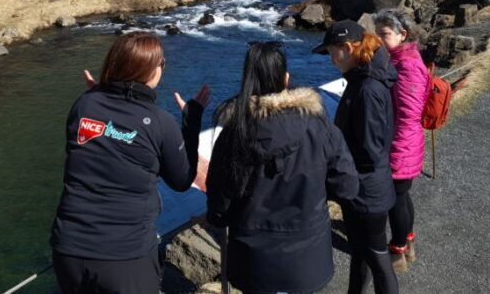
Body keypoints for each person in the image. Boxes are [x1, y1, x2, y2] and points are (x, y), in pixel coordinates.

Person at [50, 31, 211, 294]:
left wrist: (101, 96)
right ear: (151, 70)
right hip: (124, 256)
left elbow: (104, 135)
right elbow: (182, 181)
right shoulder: (160, 122)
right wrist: (191, 123)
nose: (163, 68)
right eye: (162, 63)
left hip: (68, 249)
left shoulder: (83, 105)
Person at [206, 41, 359, 294]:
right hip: (307, 254)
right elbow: (347, 186)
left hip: (253, 259)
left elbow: (220, 201)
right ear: (286, 78)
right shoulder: (318, 126)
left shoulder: (235, 133)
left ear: (247, 80)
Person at [314, 20, 399, 294]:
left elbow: (370, 151)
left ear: (348, 47)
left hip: (367, 190)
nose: (330, 59)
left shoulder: (368, 89)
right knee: (362, 252)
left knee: (378, 259)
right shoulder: (363, 78)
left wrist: (336, 158)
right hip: (366, 187)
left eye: (331, 52)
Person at [374, 9, 429, 272]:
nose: (379, 40)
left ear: (402, 34)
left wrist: (391, 146)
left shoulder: (406, 64)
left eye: (384, 34)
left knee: (396, 197)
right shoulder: (397, 58)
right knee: (402, 195)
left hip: (401, 142)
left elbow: (408, 113)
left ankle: (397, 252)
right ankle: (408, 241)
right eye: (377, 34)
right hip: (402, 141)